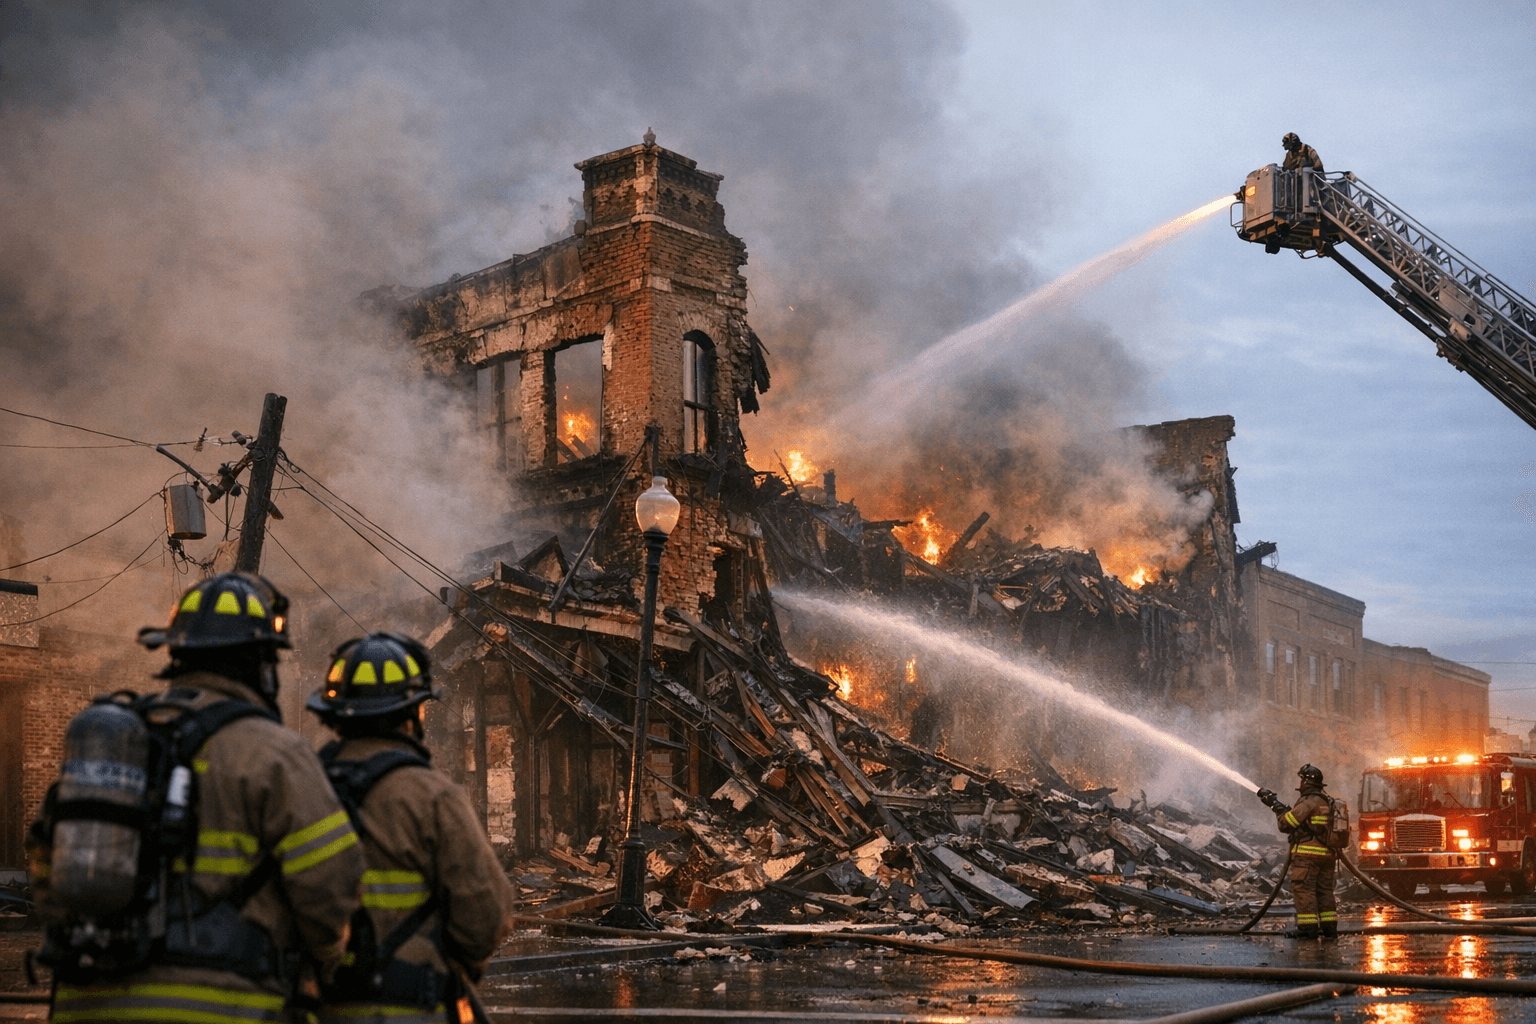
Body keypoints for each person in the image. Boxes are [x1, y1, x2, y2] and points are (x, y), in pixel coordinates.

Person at [28, 572, 365, 1023]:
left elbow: (47, 861)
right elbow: (330, 886)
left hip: (88, 1004)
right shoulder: (276, 754)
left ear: (175, 652)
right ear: (262, 661)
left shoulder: (120, 738)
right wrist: (322, 960)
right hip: (221, 1006)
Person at [306, 632, 516, 1024]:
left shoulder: (301, 788)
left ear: (335, 714)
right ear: (414, 714)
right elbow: (486, 919)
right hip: (414, 1006)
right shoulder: (433, 796)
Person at [1257, 764, 1337, 939]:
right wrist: (1282, 807)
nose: (1300, 783)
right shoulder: (1326, 801)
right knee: (1324, 891)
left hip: (1308, 855)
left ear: (1307, 781)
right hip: (1328, 855)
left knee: (1304, 890)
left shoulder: (1309, 801)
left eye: (1301, 779)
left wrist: (1276, 807)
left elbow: (1287, 824)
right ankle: (1330, 929)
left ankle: (1307, 930)